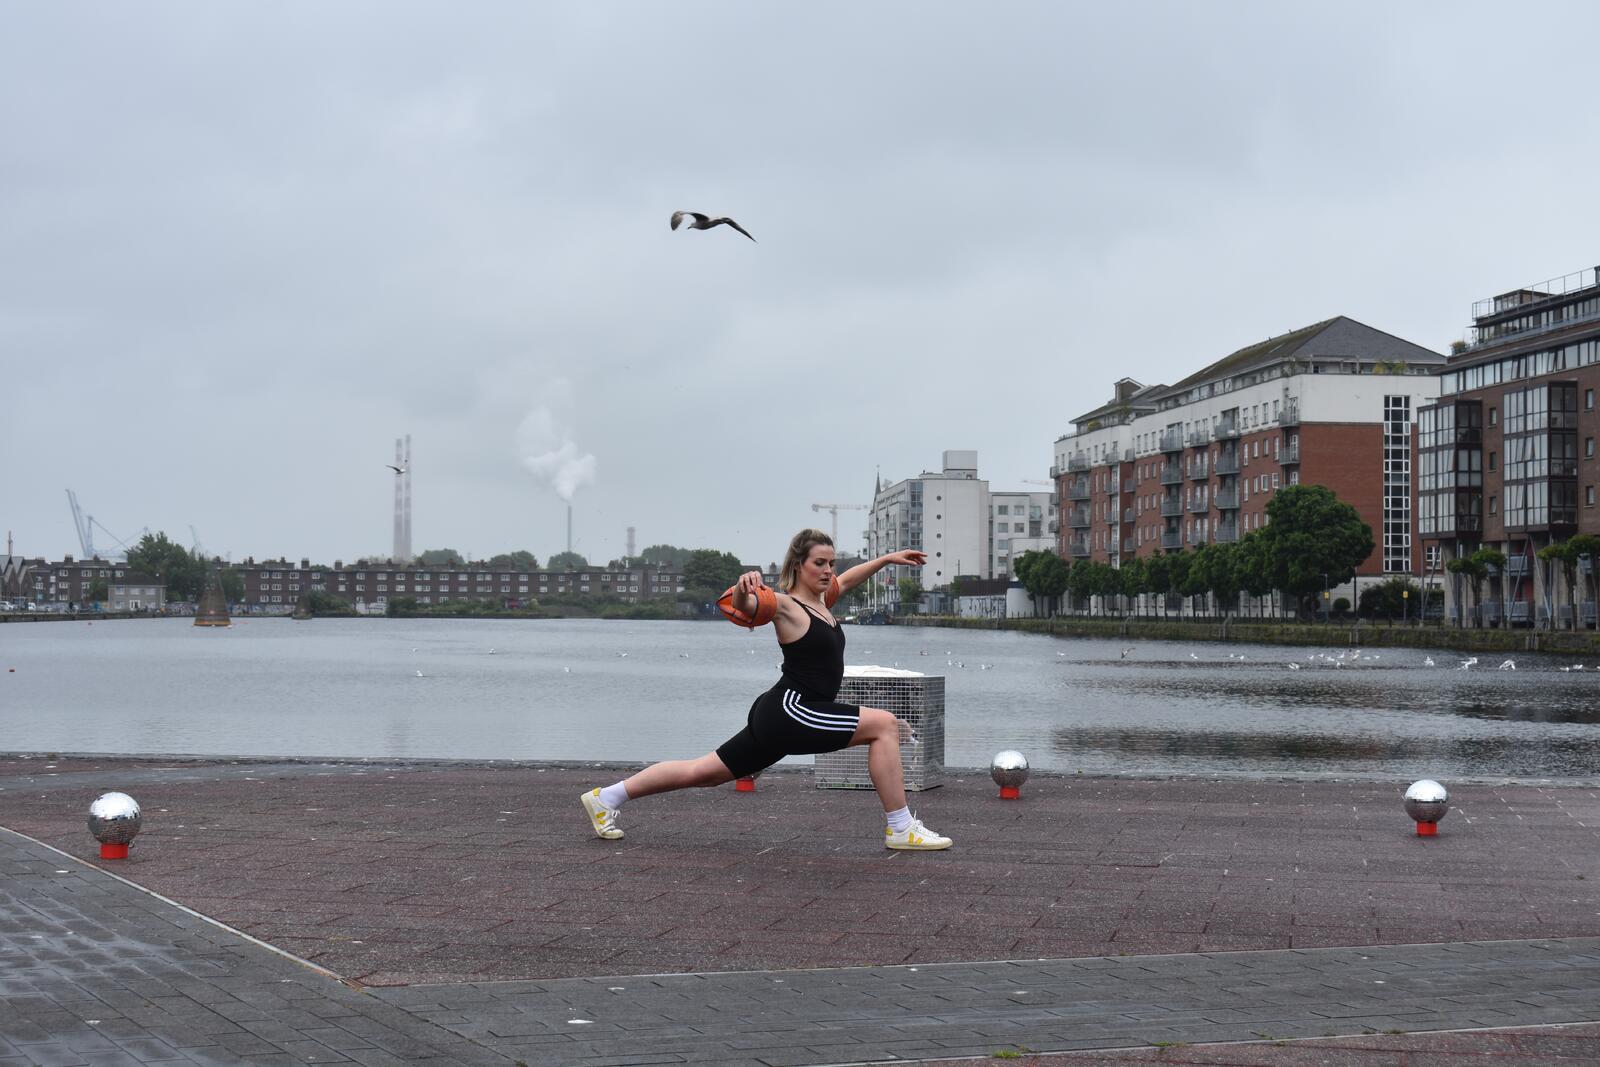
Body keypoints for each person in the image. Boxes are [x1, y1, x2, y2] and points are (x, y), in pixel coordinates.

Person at [581, 529, 952, 850]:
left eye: (831, 564)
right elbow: (748, 607)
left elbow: (850, 579)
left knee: (704, 772)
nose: (827, 571)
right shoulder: (787, 605)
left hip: (781, 713)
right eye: (819, 563)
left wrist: (886, 559)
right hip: (792, 710)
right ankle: (902, 828)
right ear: (797, 566)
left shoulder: (822, 602)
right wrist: (744, 590)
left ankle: (606, 797)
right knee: (885, 725)